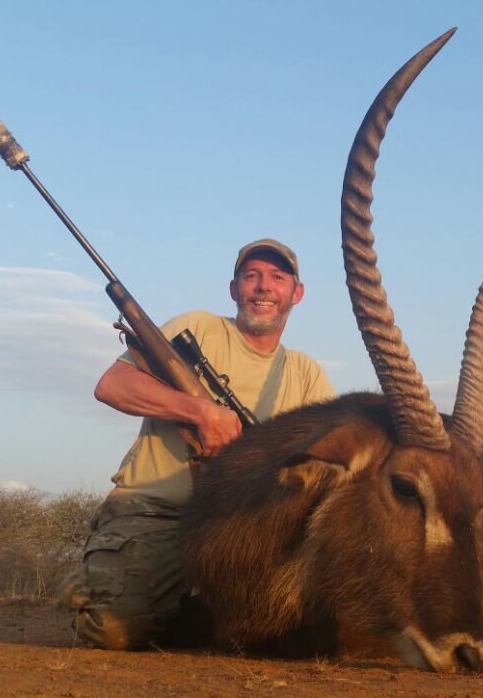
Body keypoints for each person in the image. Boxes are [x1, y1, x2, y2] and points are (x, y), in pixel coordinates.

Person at [60, 238, 335, 650]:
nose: (263, 287)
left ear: (296, 293)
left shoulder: (306, 373)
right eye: (252, 276)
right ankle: (105, 583)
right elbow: (112, 385)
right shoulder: (198, 329)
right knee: (116, 631)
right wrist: (200, 413)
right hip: (158, 513)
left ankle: (191, 610)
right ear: (234, 289)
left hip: (244, 531)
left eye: (277, 278)